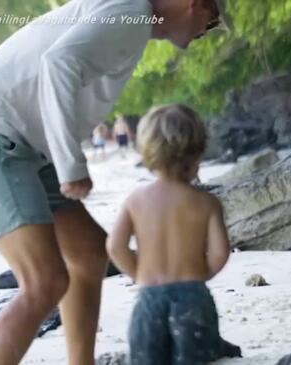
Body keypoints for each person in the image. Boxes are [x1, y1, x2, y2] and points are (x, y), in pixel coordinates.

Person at [0, 1, 231, 364]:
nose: (209, 31)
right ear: (194, 4)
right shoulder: (132, 11)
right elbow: (58, 63)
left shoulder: (134, 18)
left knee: (90, 253)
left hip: (27, 144)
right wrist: (71, 165)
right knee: (44, 282)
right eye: (214, 19)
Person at [106, 104, 238, 365]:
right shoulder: (206, 202)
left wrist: (138, 274)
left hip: (150, 296)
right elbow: (221, 252)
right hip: (193, 296)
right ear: (199, 152)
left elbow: (115, 247)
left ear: (146, 153)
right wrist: (200, 276)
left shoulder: (136, 200)